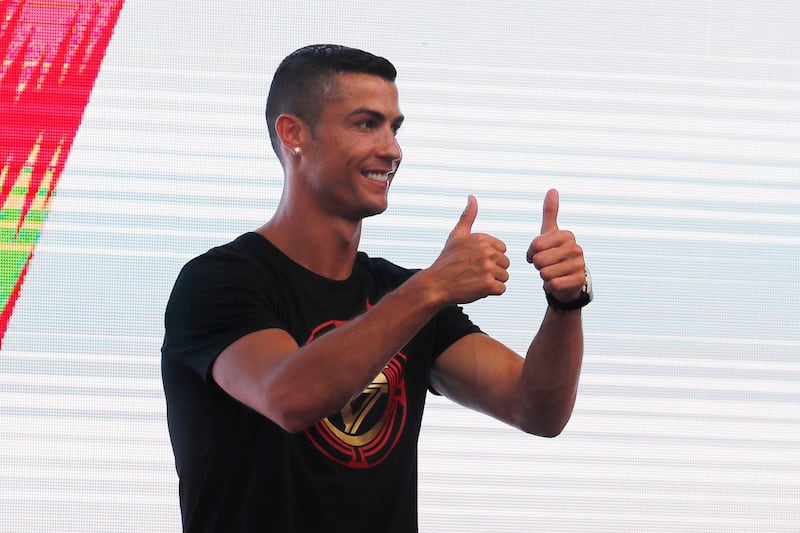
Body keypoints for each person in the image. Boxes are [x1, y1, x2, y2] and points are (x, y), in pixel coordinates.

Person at [161, 44, 592, 532]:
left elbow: (536, 408)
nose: (392, 149)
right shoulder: (218, 282)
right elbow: (288, 397)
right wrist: (429, 289)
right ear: (293, 134)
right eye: (367, 124)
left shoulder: (403, 291)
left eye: (394, 127)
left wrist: (566, 304)